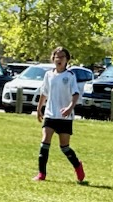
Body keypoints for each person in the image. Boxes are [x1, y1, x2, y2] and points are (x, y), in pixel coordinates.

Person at [33, 46, 85, 183]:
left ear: (67, 60)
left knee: (64, 147)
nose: (59, 59)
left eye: (62, 57)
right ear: (53, 59)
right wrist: (39, 109)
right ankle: (41, 174)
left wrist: (69, 108)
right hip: (50, 114)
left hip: (64, 117)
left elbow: (75, 94)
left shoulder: (70, 76)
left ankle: (77, 165)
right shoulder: (48, 75)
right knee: (45, 141)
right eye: (57, 57)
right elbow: (44, 93)